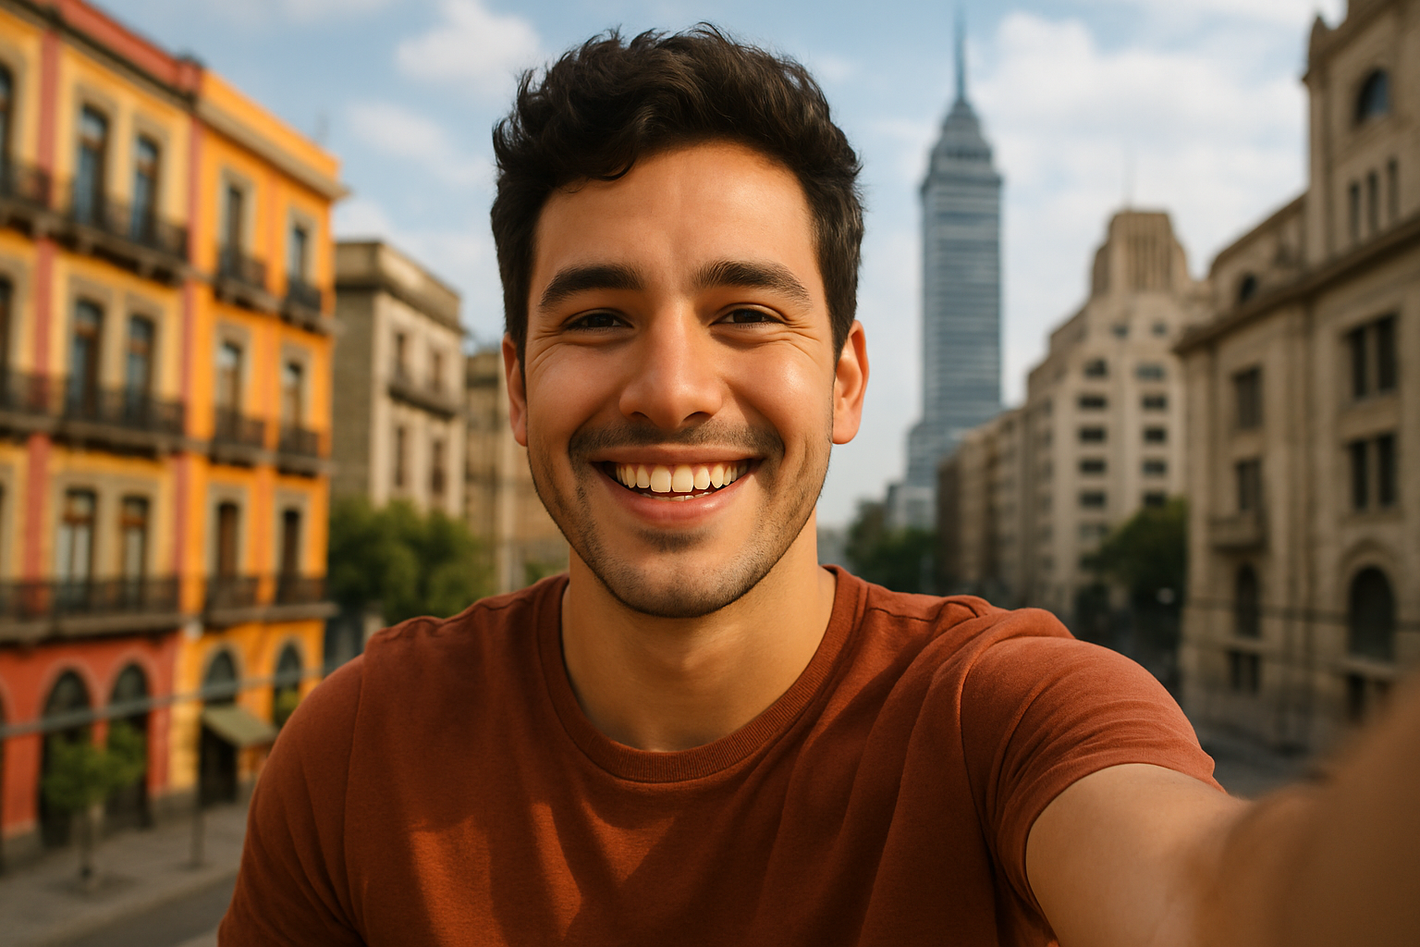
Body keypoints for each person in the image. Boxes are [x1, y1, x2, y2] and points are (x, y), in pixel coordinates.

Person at [220, 27, 1419, 947]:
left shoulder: (1005, 714)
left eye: (746, 312)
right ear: (519, 387)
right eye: (597, 316)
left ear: (844, 381)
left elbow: (1219, 899)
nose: (675, 388)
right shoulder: (356, 743)